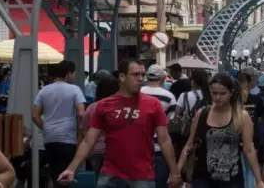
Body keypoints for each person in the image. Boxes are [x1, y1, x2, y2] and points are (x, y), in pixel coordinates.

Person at [58, 59, 182, 187]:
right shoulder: (104, 106)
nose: (140, 79)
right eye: (135, 75)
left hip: (142, 176)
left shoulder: (154, 105)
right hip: (110, 175)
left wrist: (175, 173)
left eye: (142, 75)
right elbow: (88, 140)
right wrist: (71, 168)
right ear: (122, 76)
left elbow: (165, 140)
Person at [180, 73, 264, 188]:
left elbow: (249, 149)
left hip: (231, 180)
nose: (218, 97)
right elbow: (189, 145)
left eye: (222, 93)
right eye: (214, 93)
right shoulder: (202, 114)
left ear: (231, 93)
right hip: (203, 178)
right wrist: (176, 172)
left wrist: (259, 180)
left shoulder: (241, 116)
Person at [32, 60, 87, 185]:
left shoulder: (44, 90)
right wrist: (80, 131)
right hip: (68, 137)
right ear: (69, 74)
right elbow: (81, 113)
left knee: (55, 173)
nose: (75, 76)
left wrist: (46, 128)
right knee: (68, 173)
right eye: (74, 73)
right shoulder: (74, 90)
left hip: (50, 138)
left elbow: (35, 116)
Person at [142, 64, 178, 187]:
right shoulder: (169, 97)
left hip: (138, 148)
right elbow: (171, 122)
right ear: (163, 78)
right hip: (159, 149)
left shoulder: (137, 93)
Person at [80, 75, 120, 181]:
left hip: (96, 150)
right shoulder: (120, 107)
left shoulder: (92, 107)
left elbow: (83, 128)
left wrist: (91, 141)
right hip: (116, 151)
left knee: (99, 178)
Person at [238, 71, 264, 188]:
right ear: (249, 84)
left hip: (236, 136)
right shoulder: (257, 100)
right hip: (252, 137)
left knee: (239, 169)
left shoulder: (233, 101)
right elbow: (260, 120)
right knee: (250, 169)